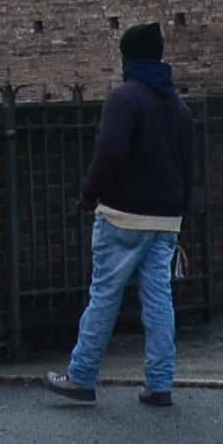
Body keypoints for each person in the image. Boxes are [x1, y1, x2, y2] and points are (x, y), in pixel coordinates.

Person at [42, 21, 194, 409]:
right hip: (166, 218)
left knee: (104, 295)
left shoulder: (124, 99)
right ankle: (160, 383)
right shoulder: (178, 106)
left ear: (127, 57)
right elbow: (189, 166)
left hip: (123, 215)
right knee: (159, 300)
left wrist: (89, 194)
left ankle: (81, 376)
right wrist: (181, 217)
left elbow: (108, 154)